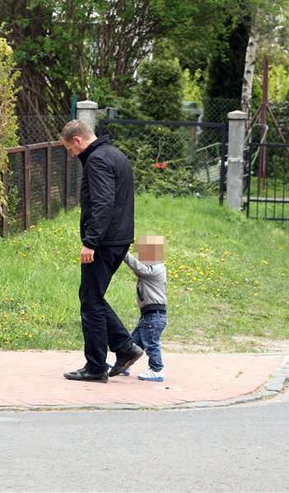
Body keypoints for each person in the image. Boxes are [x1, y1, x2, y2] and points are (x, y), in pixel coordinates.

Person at [59, 120, 143, 383]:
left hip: (104, 242)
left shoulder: (96, 160)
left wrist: (91, 242)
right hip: (119, 238)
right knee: (91, 296)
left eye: (69, 149)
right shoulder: (115, 155)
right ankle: (125, 348)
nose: (72, 155)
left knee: (91, 301)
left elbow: (103, 203)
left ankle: (96, 367)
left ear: (77, 141)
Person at [121, 235, 167, 382]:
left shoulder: (157, 269)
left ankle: (156, 369)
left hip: (155, 315)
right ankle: (124, 365)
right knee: (133, 343)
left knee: (151, 343)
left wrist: (123, 252)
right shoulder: (152, 267)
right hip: (148, 316)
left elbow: (139, 268)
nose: (141, 256)